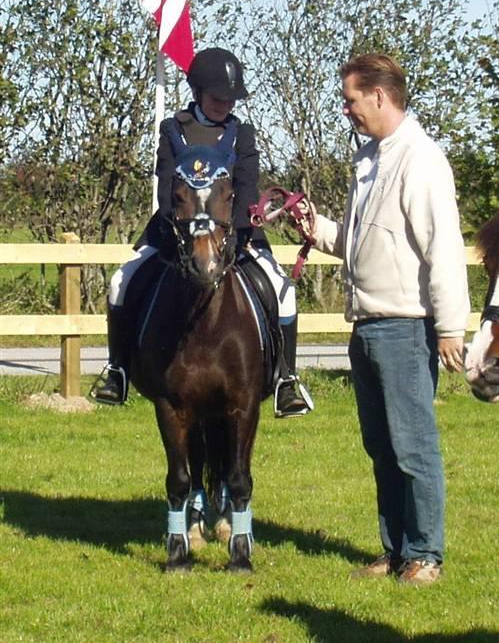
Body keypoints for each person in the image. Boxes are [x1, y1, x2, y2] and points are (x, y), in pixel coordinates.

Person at [311, 54, 470, 585]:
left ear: (379, 96)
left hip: (405, 327)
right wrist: (317, 229)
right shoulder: (372, 159)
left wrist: (450, 326)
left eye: (351, 99)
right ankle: (396, 549)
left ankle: (426, 554)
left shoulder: (420, 160)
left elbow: (441, 248)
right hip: (368, 325)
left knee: (413, 445)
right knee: (381, 445)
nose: (347, 109)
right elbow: (364, 245)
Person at [93, 47, 312, 418]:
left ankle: (285, 379)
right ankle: (118, 369)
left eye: (230, 99)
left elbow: (246, 184)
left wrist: (240, 226)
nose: (224, 104)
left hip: (236, 233)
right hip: (173, 232)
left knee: (283, 291)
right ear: (197, 91)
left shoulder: (241, 133)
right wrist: (179, 227)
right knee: (120, 281)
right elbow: (165, 187)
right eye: (217, 98)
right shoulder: (173, 129)